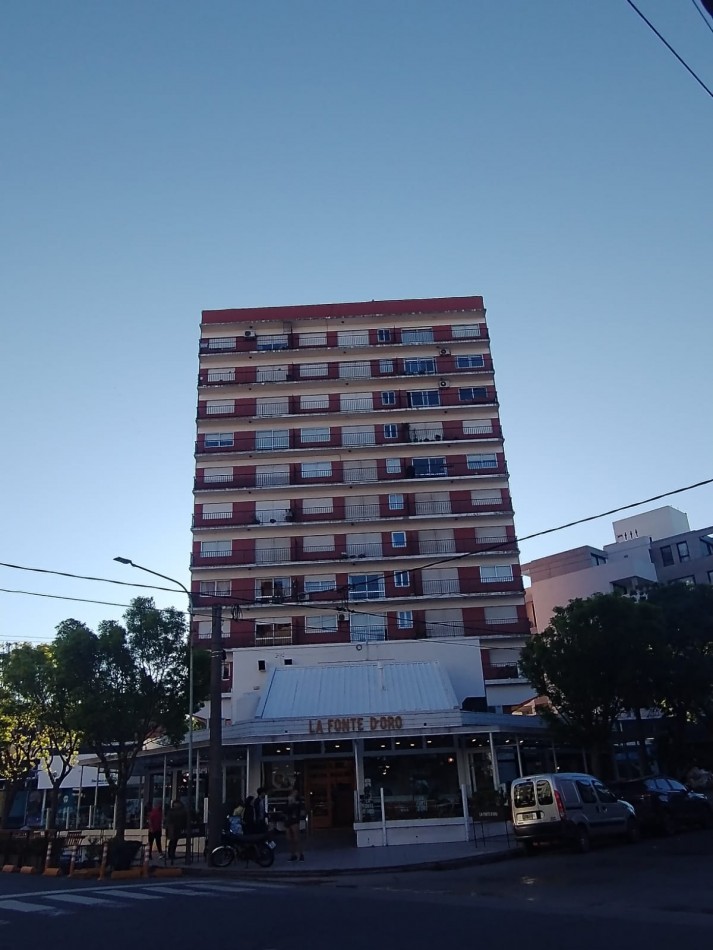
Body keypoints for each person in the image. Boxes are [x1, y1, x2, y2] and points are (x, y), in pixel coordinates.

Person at [284, 786, 304, 862]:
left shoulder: (297, 801)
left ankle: (300, 854)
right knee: (289, 839)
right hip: (288, 820)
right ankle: (293, 854)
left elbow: (299, 809)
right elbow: (285, 809)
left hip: (294, 820)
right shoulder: (288, 800)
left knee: (296, 838)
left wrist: (293, 803)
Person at [165, 799, 187, 864]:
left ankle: (171, 853)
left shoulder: (179, 811)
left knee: (174, 841)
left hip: (176, 828)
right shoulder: (173, 811)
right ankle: (171, 854)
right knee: (173, 841)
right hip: (173, 828)